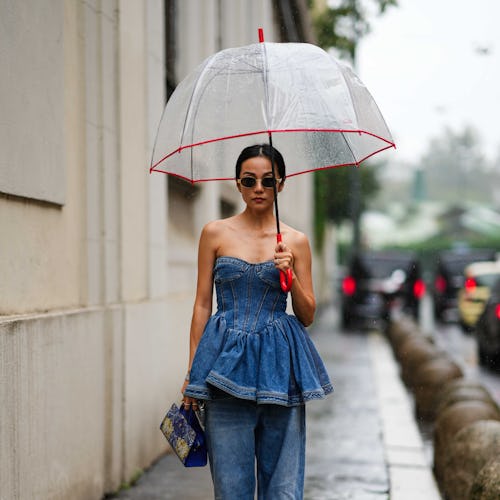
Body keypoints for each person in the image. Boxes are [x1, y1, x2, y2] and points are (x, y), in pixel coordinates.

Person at [182, 144, 332, 499]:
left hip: (281, 368)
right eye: (249, 181)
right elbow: (203, 305)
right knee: (231, 488)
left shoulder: (295, 241)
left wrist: (290, 273)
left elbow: (307, 314)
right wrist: (192, 374)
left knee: (282, 487)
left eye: (267, 180)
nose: (258, 188)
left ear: (281, 183)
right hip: (223, 367)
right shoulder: (214, 233)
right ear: (237, 184)